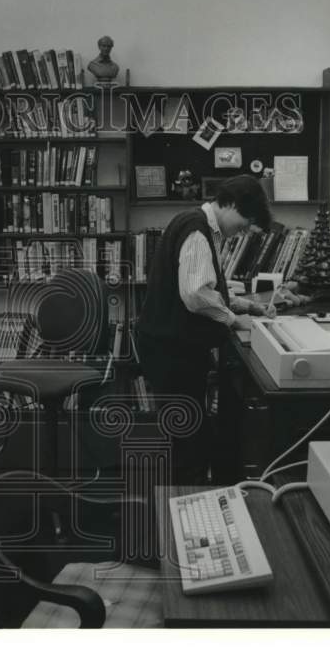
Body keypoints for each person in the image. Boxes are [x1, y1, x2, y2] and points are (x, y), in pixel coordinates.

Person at [136, 174, 275, 485]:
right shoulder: (197, 230)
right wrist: (233, 319)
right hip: (171, 351)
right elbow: (196, 294)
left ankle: (185, 500)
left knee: (187, 432)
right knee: (188, 438)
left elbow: (207, 288)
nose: (240, 233)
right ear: (230, 205)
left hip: (168, 347)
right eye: (242, 224)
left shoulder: (197, 225)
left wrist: (244, 305)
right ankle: (185, 509)